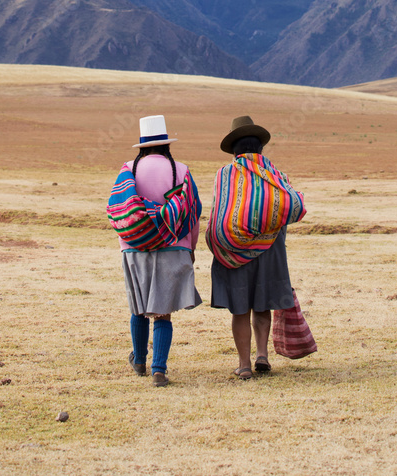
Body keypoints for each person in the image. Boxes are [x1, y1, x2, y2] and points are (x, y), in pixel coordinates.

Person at [206, 115, 305, 379]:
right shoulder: (276, 174)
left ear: (235, 149)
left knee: (240, 308)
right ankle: (263, 355)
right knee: (262, 304)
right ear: (259, 147)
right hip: (270, 250)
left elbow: (220, 211)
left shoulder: (224, 174)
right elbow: (291, 207)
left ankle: (244, 364)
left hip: (234, 251)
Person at [107, 114, 202, 387]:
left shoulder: (128, 169)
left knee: (138, 308)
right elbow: (192, 215)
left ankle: (138, 360)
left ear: (143, 145)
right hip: (173, 246)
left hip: (134, 248)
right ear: (166, 144)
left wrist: (126, 245)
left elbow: (119, 210)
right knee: (163, 311)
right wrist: (191, 248)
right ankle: (158, 369)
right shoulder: (181, 170)